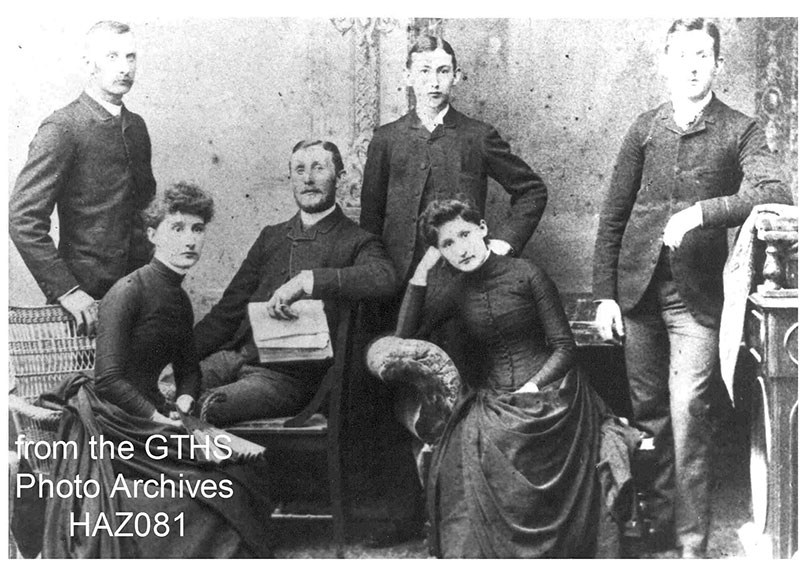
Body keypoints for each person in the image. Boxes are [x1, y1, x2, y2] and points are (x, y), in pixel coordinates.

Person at [591, 18, 792, 558]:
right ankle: (655, 527)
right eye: (681, 55)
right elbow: (612, 216)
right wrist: (606, 294)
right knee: (649, 415)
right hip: (636, 296)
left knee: (689, 415)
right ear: (665, 60)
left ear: (718, 64)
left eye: (702, 55)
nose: (692, 65)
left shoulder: (739, 129)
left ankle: (690, 546)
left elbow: (776, 189)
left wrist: (703, 213)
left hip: (697, 300)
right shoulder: (645, 128)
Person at [39, 183, 275, 558]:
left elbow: (189, 370)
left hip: (152, 416)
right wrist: (159, 419)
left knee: (239, 474)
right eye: (177, 228)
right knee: (201, 498)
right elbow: (109, 379)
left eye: (197, 229)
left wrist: (181, 405)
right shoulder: (128, 291)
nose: (190, 240)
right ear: (152, 235)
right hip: (110, 419)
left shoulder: (179, 300)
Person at [392, 198, 608, 558]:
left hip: (551, 393)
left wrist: (533, 386)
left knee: (506, 440)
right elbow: (405, 335)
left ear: (483, 229)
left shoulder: (527, 273)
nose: (460, 249)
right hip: (494, 398)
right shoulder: (456, 290)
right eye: (447, 243)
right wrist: (420, 274)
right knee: (462, 455)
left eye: (464, 234)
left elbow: (564, 348)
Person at [193, 140, 398, 426]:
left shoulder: (357, 241)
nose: (308, 179)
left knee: (203, 408)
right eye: (299, 170)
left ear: (340, 177)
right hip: (234, 357)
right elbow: (227, 312)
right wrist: (178, 355)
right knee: (166, 391)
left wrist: (310, 280)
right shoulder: (271, 237)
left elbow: (385, 277)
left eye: (318, 168)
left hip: (289, 378)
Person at [360, 35, 547, 288]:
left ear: (456, 77)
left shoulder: (478, 136)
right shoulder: (386, 138)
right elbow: (371, 218)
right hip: (397, 282)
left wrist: (504, 242)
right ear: (408, 77)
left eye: (443, 71)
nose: (434, 82)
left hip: (462, 281)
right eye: (424, 71)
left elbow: (532, 191)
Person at [10, 20, 156, 337]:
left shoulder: (137, 127)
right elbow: (23, 218)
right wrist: (67, 291)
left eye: (131, 57)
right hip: (84, 302)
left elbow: (147, 207)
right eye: (112, 56)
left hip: (138, 295)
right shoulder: (63, 127)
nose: (124, 68)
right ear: (88, 63)